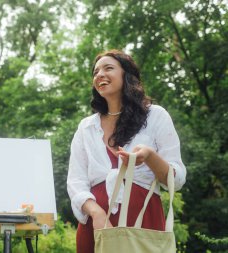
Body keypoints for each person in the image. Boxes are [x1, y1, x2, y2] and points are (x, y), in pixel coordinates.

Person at [67, 49, 186, 253]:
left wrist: (149, 156)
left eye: (108, 68)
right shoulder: (86, 127)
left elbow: (177, 178)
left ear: (127, 75)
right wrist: (96, 214)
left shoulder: (156, 116)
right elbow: (76, 182)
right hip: (96, 225)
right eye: (95, 72)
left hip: (143, 222)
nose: (100, 75)